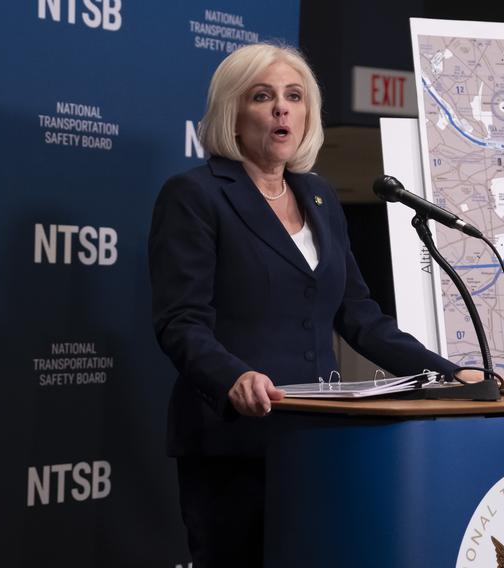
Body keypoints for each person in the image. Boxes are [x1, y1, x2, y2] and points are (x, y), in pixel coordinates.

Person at [148, 43, 468, 567]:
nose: (282, 108)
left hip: (320, 439)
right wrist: (233, 376)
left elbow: (360, 316)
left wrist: (449, 374)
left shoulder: (319, 196)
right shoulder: (195, 195)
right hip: (236, 439)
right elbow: (180, 320)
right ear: (233, 111)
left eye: (294, 97)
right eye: (263, 96)